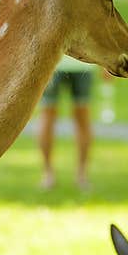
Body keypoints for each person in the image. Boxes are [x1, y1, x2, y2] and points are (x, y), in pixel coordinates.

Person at [38, 55, 96, 190]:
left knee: (83, 118)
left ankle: (82, 175)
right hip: (52, 63)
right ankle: (48, 173)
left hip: (84, 64)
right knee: (47, 117)